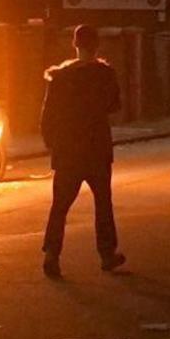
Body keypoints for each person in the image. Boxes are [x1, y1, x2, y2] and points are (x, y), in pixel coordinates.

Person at [39, 24, 124, 277]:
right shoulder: (105, 74)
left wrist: (52, 144)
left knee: (60, 206)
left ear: (74, 44)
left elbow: (47, 115)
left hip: (68, 151)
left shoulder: (59, 76)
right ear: (96, 45)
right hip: (96, 149)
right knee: (103, 204)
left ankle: (51, 255)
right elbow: (115, 105)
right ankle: (107, 254)